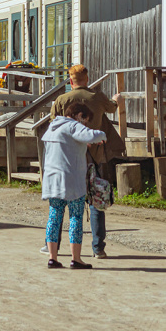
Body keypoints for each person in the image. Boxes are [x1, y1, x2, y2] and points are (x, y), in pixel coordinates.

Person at [51, 64, 125, 259]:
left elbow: (54, 125)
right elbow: (111, 108)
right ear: (87, 78)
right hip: (93, 157)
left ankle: (54, 247)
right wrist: (117, 101)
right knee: (95, 199)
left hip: (67, 158)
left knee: (60, 202)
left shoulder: (61, 100)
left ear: (70, 80)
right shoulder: (97, 97)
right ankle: (98, 248)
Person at [42, 99, 107, 269]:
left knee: (54, 217)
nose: (85, 124)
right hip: (71, 181)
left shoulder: (53, 127)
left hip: (52, 179)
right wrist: (103, 135)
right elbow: (91, 134)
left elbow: (67, 145)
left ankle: (52, 258)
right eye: (85, 120)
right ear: (78, 115)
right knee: (76, 218)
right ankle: (76, 259)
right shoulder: (72, 125)